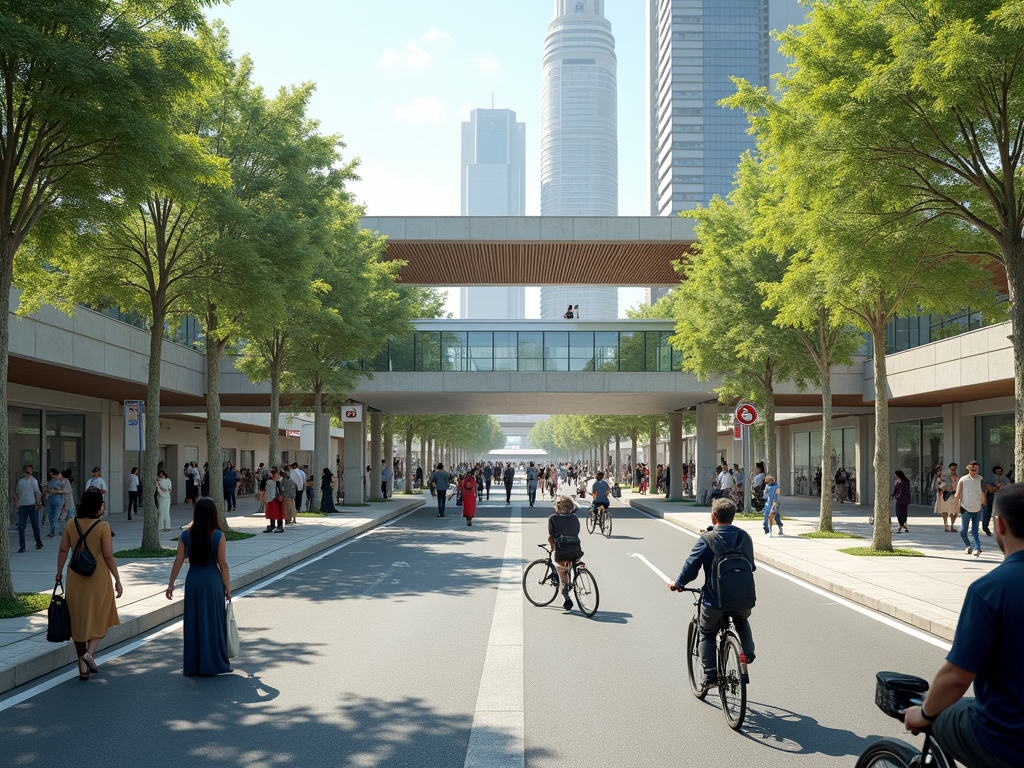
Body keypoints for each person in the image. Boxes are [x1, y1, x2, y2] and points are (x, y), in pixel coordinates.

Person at [902, 483, 1024, 768]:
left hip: (1006, 742)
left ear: (999, 525)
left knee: (940, 714)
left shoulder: (990, 590)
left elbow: (957, 677)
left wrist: (924, 714)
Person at [669, 497, 756, 691]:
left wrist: (678, 583)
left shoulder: (707, 539)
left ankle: (709, 676)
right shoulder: (745, 537)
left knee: (707, 632)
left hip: (715, 600)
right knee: (741, 620)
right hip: (744, 598)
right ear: (733, 517)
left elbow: (691, 567)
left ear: (713, 517)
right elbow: (752, 566)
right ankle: (748, 653)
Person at [55, 488, 122, 681]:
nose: (103, 507)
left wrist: (58, 573)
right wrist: (117, 579)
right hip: (98, 576)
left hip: (75, 577)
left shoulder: (70, 523)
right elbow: (108, 555)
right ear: (96, 506)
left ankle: (82, 669)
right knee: (101, 615)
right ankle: (89, 654)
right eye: (102, 504)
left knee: (78, 621)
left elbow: (62, 550)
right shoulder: (103, 527)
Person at [165, 498, 232, 676]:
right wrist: (228, 588)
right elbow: (223, 564)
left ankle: (193, 664)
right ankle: (213, 662)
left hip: (193, 580)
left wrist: (170, 585)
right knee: (212, 621)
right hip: (212, 581)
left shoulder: (186, 535)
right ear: (213, 514)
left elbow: (178, 560)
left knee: (194, 621)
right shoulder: (218, 535)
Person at [548, 496, 584, 611]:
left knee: (563, 571)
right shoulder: (574, 517)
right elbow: (576, 531)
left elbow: (552, 535)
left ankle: (567, 598)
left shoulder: (553, 518)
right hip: (577, 549)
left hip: (563, 551)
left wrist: (552, 546)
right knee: (573, 562)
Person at [955, 460, 986, 557]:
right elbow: (958, 494)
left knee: (974, 530)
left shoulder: (981, 479)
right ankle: (968, 545)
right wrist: (957, 506)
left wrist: (983, 501)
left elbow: (983, 491)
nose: (973, 470)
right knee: (963, 531)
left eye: (975, 468)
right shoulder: (963, 480)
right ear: (968, 468)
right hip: (965, 508)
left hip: (977, 507)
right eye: (972, 468)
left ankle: (977, 548)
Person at [14, 463, 43, 552]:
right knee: (21, 527)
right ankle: (22, 545)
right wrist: (16, 505)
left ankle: (38, 541)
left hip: (31, 505)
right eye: (26, 469)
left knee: (35, 525)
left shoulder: (33, 481)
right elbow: (16, 494)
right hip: (23, 506)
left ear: (31, 470)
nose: (28, 470)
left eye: (29, 469)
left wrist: (37, 504)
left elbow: (37, 492)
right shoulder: (20, 481)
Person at [935, 462, 961, 532]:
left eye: (954, 469)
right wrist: (939, 490)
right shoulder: (944, 477)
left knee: (955, 511)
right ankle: (946, 525)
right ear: (949, 469)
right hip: (945, 495)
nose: (953, 470)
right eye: (952, 469)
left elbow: (960, 486)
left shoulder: (958, 477)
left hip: (954, 494)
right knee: (944, 510)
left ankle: (952, 525)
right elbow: (938, 483)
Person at [983, 466, 1007, 536]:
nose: (999, 472)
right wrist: (997, 488)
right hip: (990, 497)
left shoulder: (1004, 478)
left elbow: (1009, 485)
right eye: (998, 471)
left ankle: (998, 530)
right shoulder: (991, 478)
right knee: (987, 513)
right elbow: (989, 488)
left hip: (1000, 498)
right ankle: (985, 528)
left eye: (1000, 471)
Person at [263, 468, 284, 533]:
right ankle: (274, 525)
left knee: (278, 513)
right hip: (273, 499)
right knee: (273, 513)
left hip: (277, 499)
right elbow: (270, 491)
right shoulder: (270, 482)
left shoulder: (278, 481)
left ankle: (279, 526)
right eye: (276, 474)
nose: (277, 476)